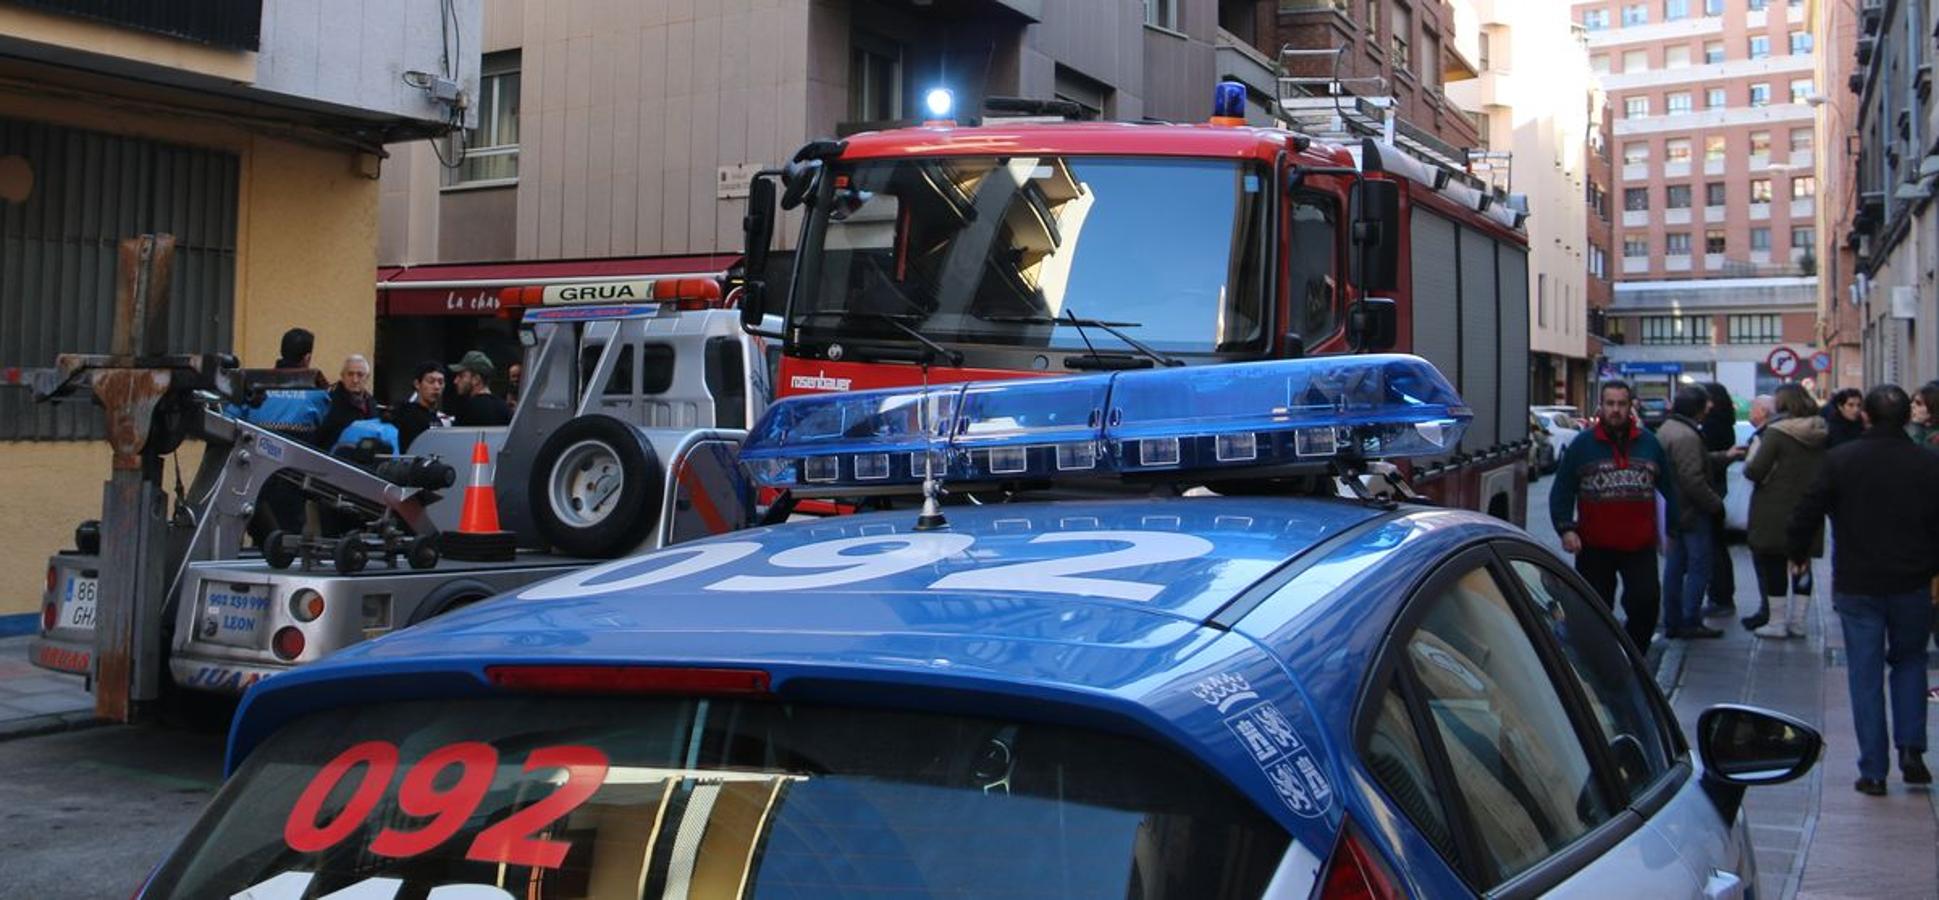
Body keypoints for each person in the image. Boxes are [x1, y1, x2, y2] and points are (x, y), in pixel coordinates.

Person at [1788, 385, 1939, 795]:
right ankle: (1912, 750)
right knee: (1910, 663)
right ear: (1907, 415)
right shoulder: (1928, 464)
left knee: (1865, 673)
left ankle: (1873, 769)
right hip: (1911, 582)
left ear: (1866, 416)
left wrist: (1798, 551)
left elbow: (1808, 508)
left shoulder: (1841, 460)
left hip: (1858, 582)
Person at [1552, 381, 1680, 650]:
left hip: (1639, 545)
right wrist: (1566, 528)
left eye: (1621, 404)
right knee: (1594, 610)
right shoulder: (1582, 445)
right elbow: (1562, 489)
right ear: (1601, 407)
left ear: (1631, 406)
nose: (1616, 410)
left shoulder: (1649, 445)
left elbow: (1668, 490)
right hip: (1595, 546)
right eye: (1610, 404)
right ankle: (1601, 661)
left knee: (1645, 604)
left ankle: (1635, 657)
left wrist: (1673, 528)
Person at [1744, 385, 1826, 637]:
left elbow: (1755, 470)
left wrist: (1748, 462)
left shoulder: (1777, 433)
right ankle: (1799, 622)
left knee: (1774, 562)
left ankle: (1777, 622)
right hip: (1810, 505)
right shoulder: (1821, 431)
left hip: (1774, 507)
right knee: (1802, 563)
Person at [1658, 385, 1738, 639]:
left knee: (1675, 566)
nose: (1710, 408)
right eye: (1706, 405)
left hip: (1676, 510)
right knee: (1698, 566)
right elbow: (1692, 478)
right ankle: (1688, 619)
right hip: (1692, 512)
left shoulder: (1670, 429)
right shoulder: (1686, 436)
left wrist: (1724, 456)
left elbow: (1692, 463)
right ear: (1697, 408)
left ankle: (1673, 618)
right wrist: (1716, 504)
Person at [1700, 382, 1739, 618]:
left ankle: (1720, 596)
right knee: (1716, 544)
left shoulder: (1712, 426)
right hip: (1717, 485)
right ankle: (1721, 595)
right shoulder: (1726, 423)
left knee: (1713, 545)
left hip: (1711, 487)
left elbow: (1704, 460)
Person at [317, 354, 377, 451]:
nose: (355, 380)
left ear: (367, 377)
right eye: (350, 374)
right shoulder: (329, 401)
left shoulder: (371, 403)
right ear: (342, 376)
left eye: (360, 375)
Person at [391, 361, 449, 452]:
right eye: (431, 381)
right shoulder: (406, 415)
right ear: (417, 384)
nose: (437, 387)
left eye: (441, 382)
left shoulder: (436, 418)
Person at [447, 350, 512, 426]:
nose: (456, 381)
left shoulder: (467, 408)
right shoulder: (504, 408)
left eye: (461, 376)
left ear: (476, 379)